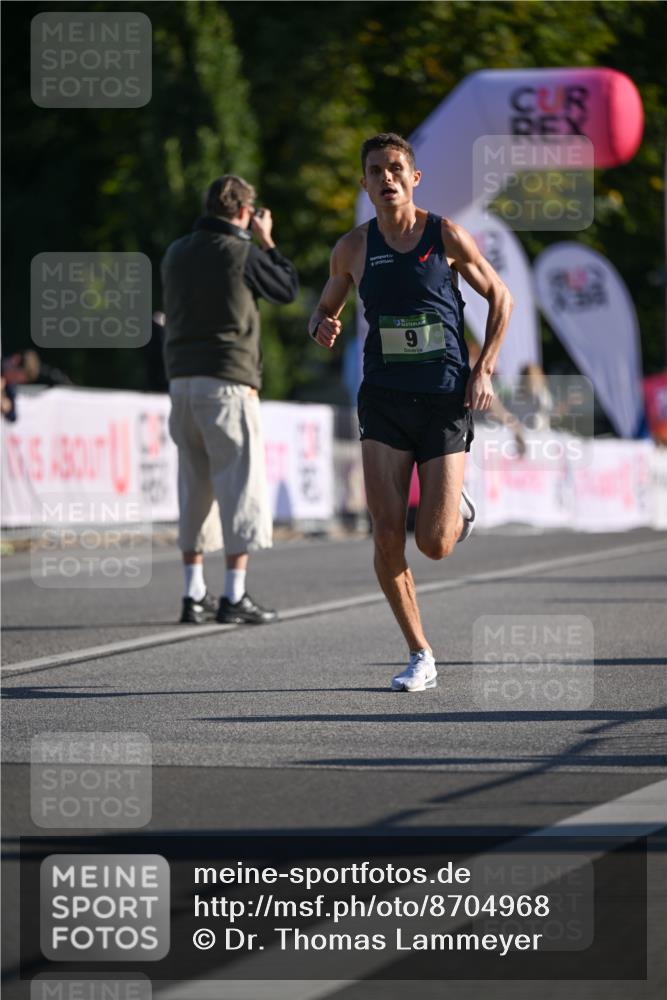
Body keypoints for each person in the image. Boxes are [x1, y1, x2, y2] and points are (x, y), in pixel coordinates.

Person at [308, 133, 512, 692]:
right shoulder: (352, 248)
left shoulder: (445, 235)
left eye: (396, 168)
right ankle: (420, 652)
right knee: (386, 531)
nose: (386, 178)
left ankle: (454, 510)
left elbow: (501, 296)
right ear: (365, 183)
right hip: (384, 398)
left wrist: (485, 367)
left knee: (435, 544)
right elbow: (326, 307)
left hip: (446, 397)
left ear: (413, 178)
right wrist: (321, 324)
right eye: (375, 170)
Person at [162, 174, 298, 625]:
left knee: (194, 487)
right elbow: (286, 288)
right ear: (244, 211)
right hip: (227, 382)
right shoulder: (242, 253)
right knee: (240, 487)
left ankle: (191, 593)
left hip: (181, 382)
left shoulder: (177, 251)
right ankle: (234, 595)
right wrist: (267, 239)